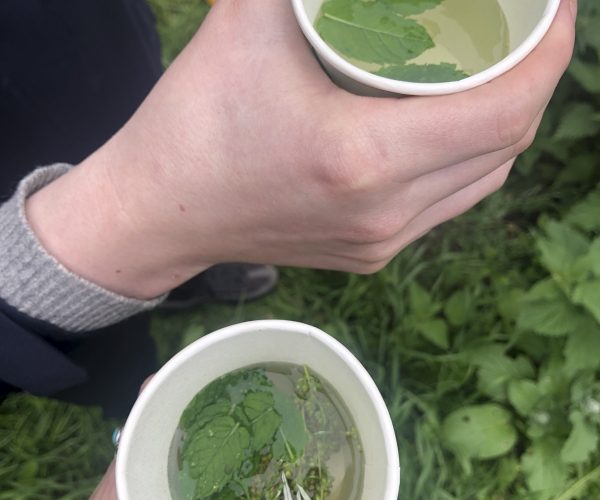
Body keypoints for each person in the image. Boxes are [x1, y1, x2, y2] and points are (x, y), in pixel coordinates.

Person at [1, 0, 575, 495]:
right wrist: (138, 212)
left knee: (118, 88)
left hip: (76, 37)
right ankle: (126, 399)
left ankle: (190, 273)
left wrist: (158, 210)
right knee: (106, 361)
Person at [0, 0, 276, 417]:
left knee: (145, 107)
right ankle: (135, 406)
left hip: (94, 36)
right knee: (111, 358)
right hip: (29, 231)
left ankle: (188, 280)